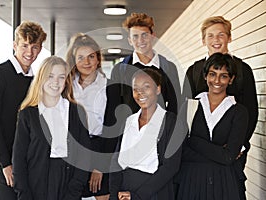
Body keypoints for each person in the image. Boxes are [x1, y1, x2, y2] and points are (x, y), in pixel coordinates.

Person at [182, 16, 258, 199]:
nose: (216, 40)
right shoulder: (193, 71)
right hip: (196, 158)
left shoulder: (243, 70)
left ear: (229, 38)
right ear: (203, 40)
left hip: (232, 152)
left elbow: (251, 111)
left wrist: (237, 146)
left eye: (221, 35)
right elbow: (185, 110)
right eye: (210, 36)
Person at [0, 21, 47, 200]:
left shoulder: (35, 81)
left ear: (40, 49)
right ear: (14, 45)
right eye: (24, 45)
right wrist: (6, 164)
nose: (29, 52)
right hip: (6, 162)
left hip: (29, 161)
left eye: (35, 47)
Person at [12, 56, 91, 199]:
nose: (56, 82)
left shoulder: (76, 112)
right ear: (41, 78)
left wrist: (73, 192)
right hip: (35, 186)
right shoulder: (28, 114)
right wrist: (24, 195)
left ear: (66, 81)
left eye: (61, 77)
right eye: (50, 76)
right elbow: (19, 160)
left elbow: (84, 157)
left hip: (68, 185)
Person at [176, 53, 249, 200]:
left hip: (226, 184)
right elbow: (181, 151)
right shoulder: (189, 107)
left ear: (231, 79)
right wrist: (219, 153)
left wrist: (193, 141)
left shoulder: (239, 111)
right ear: (205, 76)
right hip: (191, 182)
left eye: (223, 76)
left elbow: (229, 156)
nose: (217, 80)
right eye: (212, 74)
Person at [109, 68, 182, 200]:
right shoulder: (128, 121)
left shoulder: (172, 122)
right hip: (124, 192)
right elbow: (115, 161)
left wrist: (137, 196)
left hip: (154, 193)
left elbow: (171, 167)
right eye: (135, 88)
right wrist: (114, 194)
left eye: (146, 87)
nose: (140, 93)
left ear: (158, 89)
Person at [65, 33, 121, 200]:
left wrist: (100, 166)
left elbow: (114, 127)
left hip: (100, 147)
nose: (86, 62)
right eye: (81, 57)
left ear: (98, 59)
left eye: (91, 56)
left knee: (101, 194)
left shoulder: (110, 86)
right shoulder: (66, 86)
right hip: (72, 149)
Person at [110, 12, 181, 118]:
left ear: (153, 36)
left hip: (160, 130)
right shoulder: (120, 69)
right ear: (130, 41)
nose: (140, 41)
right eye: (135, 36)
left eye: (144, 35)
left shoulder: (168, 67)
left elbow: (175, 105)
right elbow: (113, 106)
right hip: (129, 131)